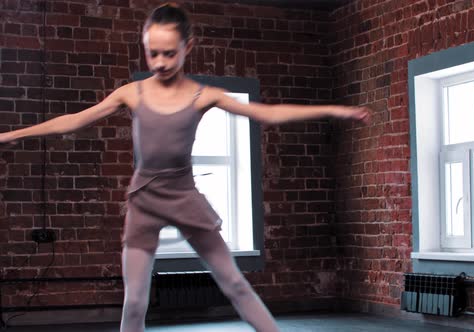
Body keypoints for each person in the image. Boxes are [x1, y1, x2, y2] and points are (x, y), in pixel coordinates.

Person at [0, 3, 370, 332]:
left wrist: (333, 110)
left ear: (187, 48)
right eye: (152, 54)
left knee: (236, 285)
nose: (160, 62)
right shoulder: (133, 93)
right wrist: (10, 135)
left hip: (183, 197)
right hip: (144, 201)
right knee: (134, 302)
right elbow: (73, 120)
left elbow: (267, 114)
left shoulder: (202, 95)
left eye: (169, 54)